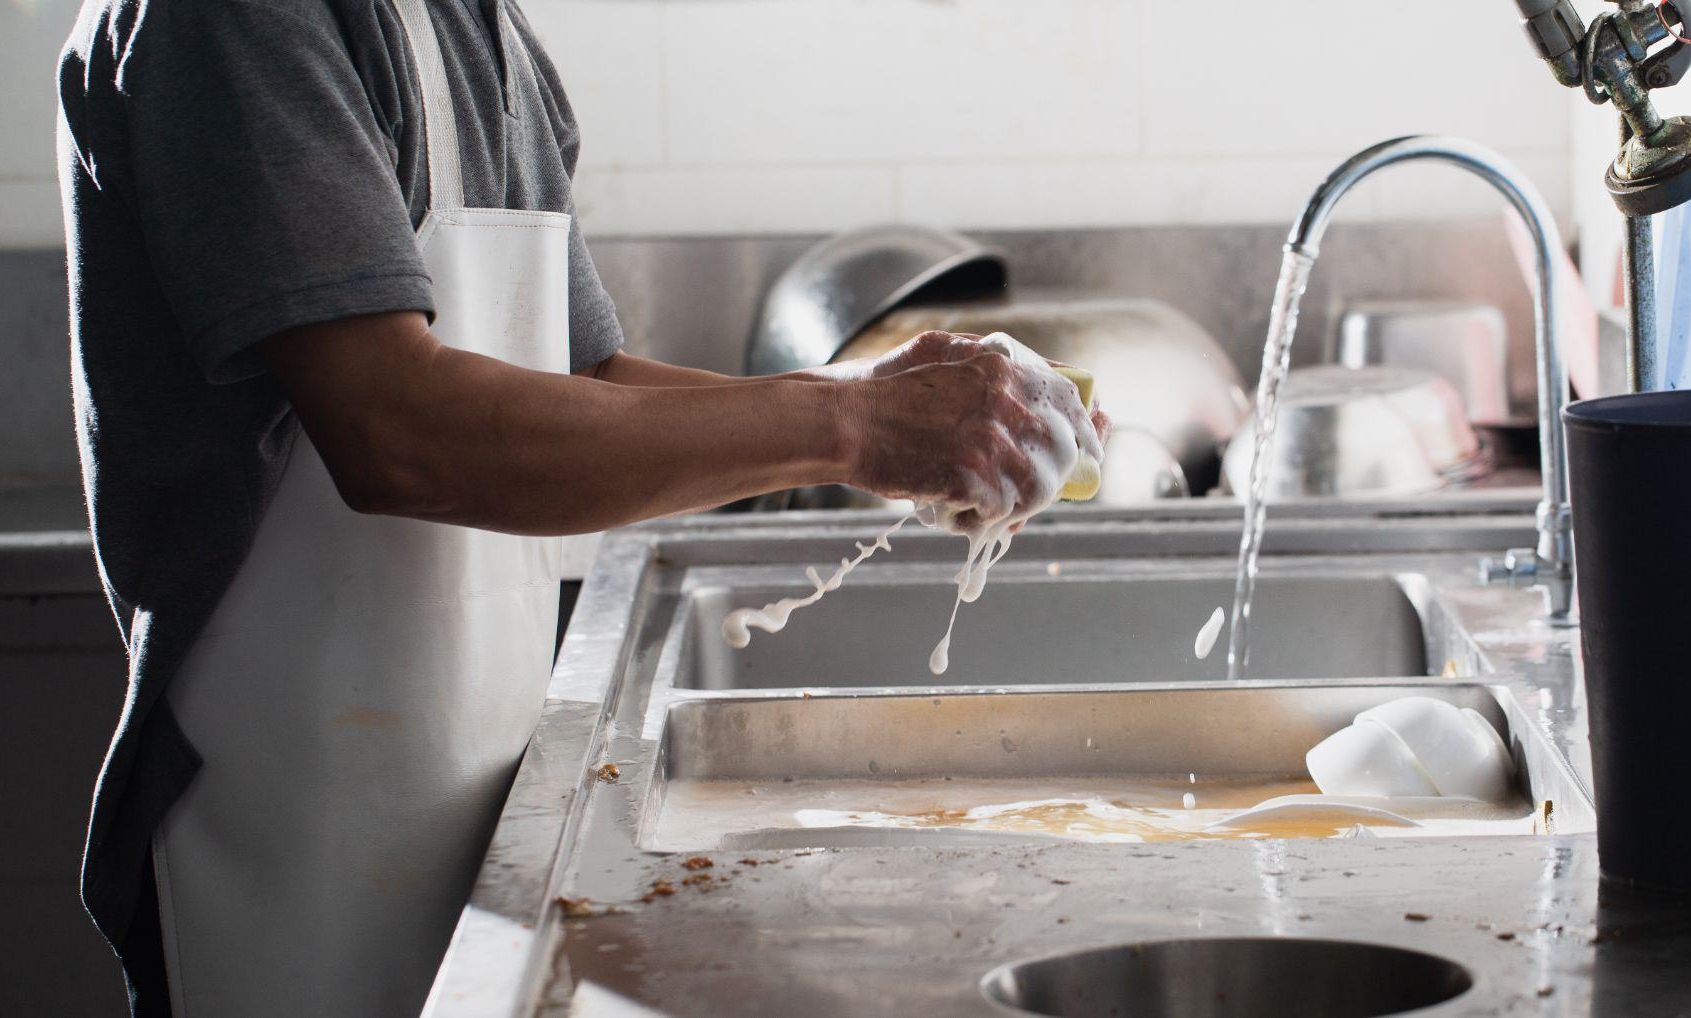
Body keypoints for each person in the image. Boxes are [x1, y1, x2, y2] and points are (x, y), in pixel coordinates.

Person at [55, 1, 1099, 1015]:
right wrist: (860, 427)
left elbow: (586, 378)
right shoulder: (232, 22)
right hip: (283, 834)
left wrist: (875, 408)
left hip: (481, 805)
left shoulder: (484, 33)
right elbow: (395, 431)